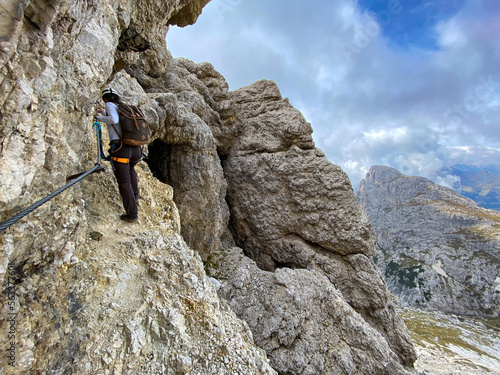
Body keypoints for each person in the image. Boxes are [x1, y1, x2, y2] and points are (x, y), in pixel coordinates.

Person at [94, 88, 141, 223]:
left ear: (106, 99)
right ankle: (136, 197)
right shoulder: (122, 107)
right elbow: (117, 119)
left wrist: (99, 117)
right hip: (135, 149)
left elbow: (113, 120)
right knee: (131, 171)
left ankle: (132, 214)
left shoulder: (109, 105)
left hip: (121, 149)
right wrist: (103, 113)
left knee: (124, 182)